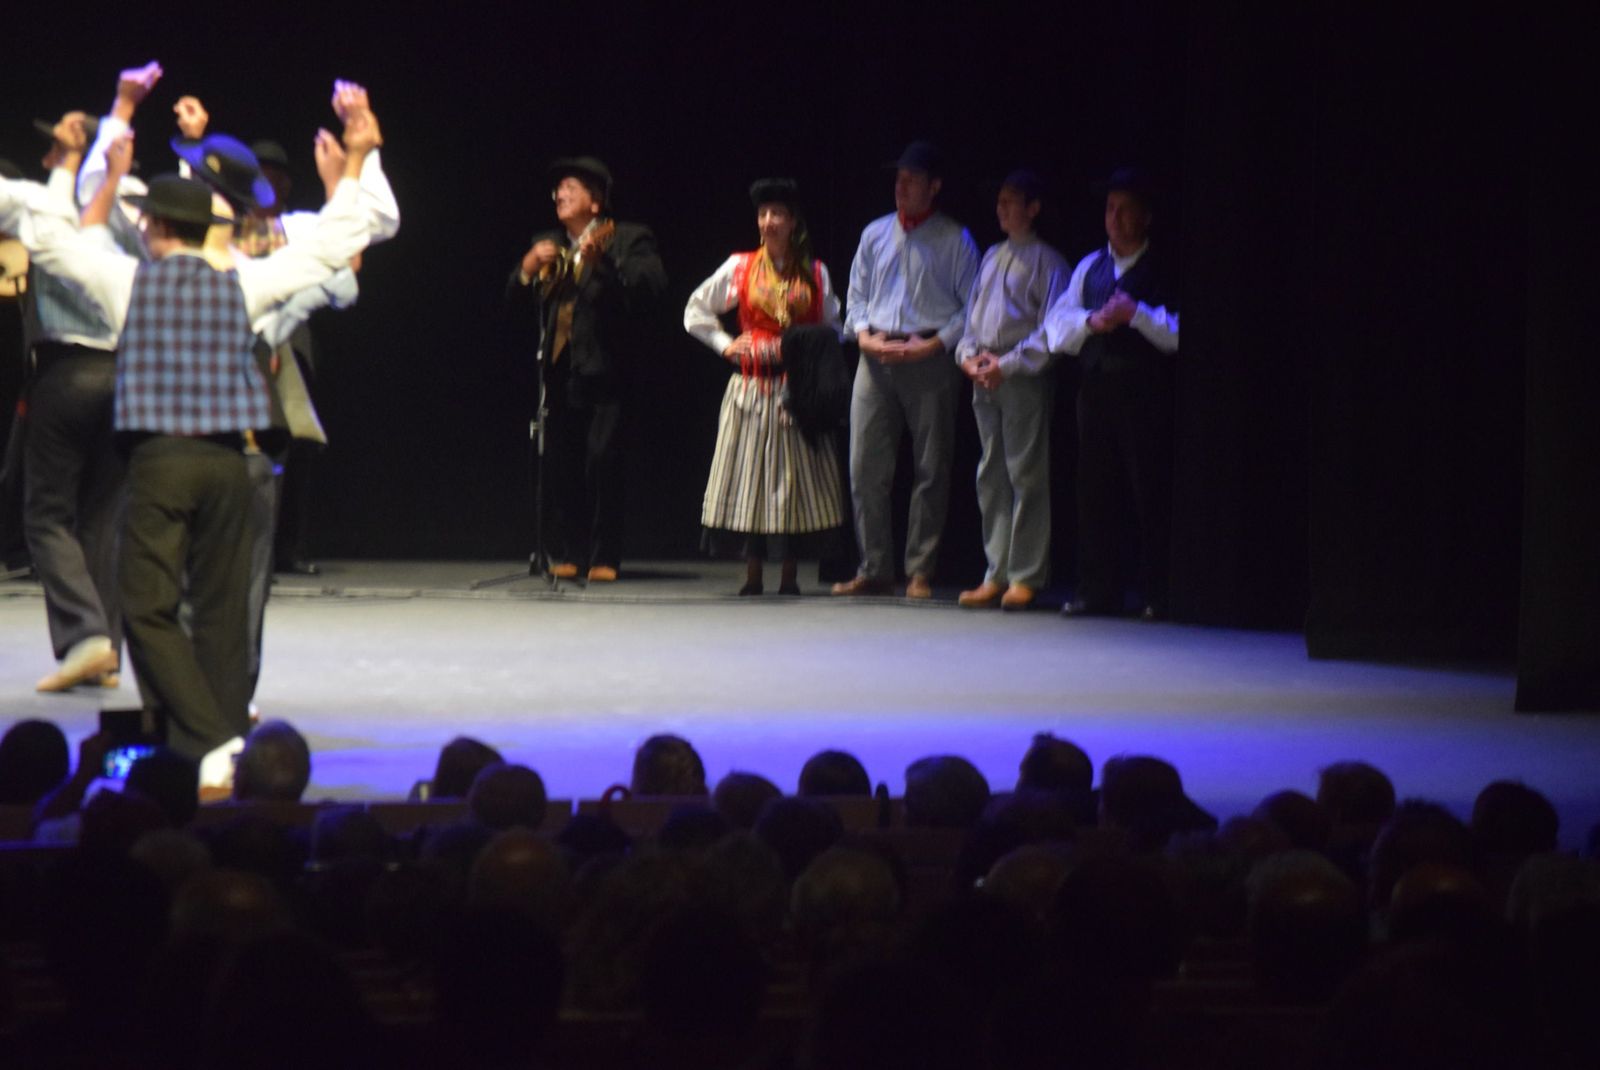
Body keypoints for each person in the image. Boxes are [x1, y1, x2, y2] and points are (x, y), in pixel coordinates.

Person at [25, 98, 384, 761]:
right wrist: (356, 162)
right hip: (229, 462)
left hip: (161, 462)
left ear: (157, 225)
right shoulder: (245, 283)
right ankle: (216, 746)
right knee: (220, 616)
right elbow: (337, 243)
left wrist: (71, 166)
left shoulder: (124, 280)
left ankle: (209, 738)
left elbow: (51, 242)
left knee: (144, 608)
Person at [508, 157, 666, 583]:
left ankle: (604, 556)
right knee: (561, 465)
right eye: (558, 190)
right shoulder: (548, 244)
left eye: (570, 189)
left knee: (602, 463)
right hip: (560, 372)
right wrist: (525, 268)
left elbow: (652, 288)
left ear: (595, 203)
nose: (559, 195)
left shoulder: (628, 238)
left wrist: (607, 265)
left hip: (607, 370)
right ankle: (567, 554)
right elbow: (513, 300)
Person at [684, 178, 845, 595]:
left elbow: (833, 327)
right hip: (752, 387)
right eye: (763, 214)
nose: (768, 222)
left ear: (793, 222)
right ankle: (752, 571)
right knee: (750, 479)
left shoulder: (814, 272)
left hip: (794, 391)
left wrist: (806, 354)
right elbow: (696, 309)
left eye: (777, 214)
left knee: (792, 481)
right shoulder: (740, 267)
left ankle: (790, 574)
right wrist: (724, 344)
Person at [14, 109, 129, 692]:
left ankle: (85, 636)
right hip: (122, 374)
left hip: (67, 371)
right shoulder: (123, 212)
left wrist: (64, 162)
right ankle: (105, 647)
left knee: (47, 513)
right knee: (104, 516)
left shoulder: (46, 208)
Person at [835, 141, 978, 599]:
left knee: (930, 468)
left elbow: (971, 309)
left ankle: (919, 569)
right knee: (864, 466)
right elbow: (855, 297)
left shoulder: (956, 240)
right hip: (874, 357)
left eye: (912, 179)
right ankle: (875, 566)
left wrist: (934, 343)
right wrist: (862, 335)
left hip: (929, 359)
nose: (902, 186)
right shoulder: (875, 233)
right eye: (899, 178)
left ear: (934, 187)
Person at [1044, 167, 1180, 619]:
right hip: (1095, 391)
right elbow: (1056, 327)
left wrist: (1136, 314)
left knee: (1149, 494)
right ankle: (1095, 590)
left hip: (1144, 391)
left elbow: (1178, 334)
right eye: (1109, 209)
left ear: (1145, 218)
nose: (1115, 218)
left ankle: (1157, 593)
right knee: (1093, 493)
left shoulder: (1162, 267)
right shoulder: (1089, 267)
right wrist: (1091, 323)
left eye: (1124, 210)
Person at [954, 170, 1069, 611]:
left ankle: (1025, 574)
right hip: (985, 372)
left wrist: (1008, 363)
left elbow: (1051, 333)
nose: (1001, 209)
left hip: (1020, 376)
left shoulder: (1049, 262)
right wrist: (969, 357)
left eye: (1011, 201)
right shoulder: (990, 256)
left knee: (1025, 473)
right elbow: (972, 319)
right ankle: (995, 571)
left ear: (1033, 208)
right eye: (998, 201)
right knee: (991, 474)